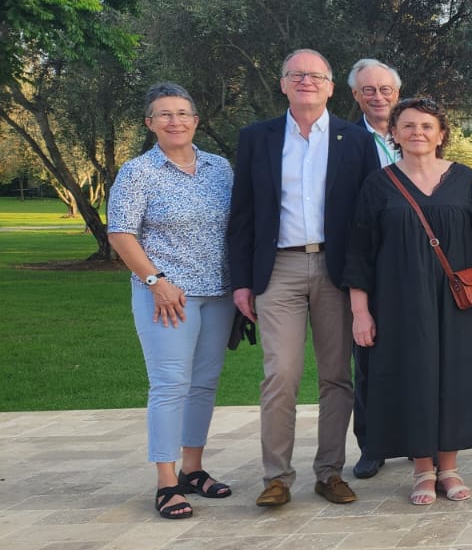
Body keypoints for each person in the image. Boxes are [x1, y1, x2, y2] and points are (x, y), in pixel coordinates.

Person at [228, 48, 378, 508]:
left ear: (332, 87)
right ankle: (277, 476)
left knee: (336, 377)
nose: (306, 81)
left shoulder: (354, 140)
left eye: (316, 75)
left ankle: (329, 472)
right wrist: (241, 281)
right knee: (282, 375)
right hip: (279, 269)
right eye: (296, 74)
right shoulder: (258, 138)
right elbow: (244, 214)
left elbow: (370, 217)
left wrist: (366, 285)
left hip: (337, 270)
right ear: (283, 84)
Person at [346, 97, 472, 505]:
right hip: (398, 300)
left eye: (427, 126)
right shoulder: (378, 184)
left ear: (442, 134)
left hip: (458, 301)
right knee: (412, 377)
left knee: (456, 378)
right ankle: (422, 470)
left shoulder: (466, 179)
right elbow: (359, 252)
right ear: (394, 134)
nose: (418, 132)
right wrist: (360, 311)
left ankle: (448, 468)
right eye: (409, 126)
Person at [108, 83, 236, 519]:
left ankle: (193, 470)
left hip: (217, 293)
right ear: (150, 124)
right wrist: (155, 280)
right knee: (169, 386)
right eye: (164, 115)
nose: (175, 121)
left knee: (203, 384)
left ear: (196, 121)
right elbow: (121, 232)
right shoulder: (137, 172)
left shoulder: (220, 168)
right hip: (167, 297)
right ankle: (166, 482)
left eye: (183, 113)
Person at [347, 58, 402, 481]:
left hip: (417, 261)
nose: (378, 96)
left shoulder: (414, 133)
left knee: (419, 355)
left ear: (396, 94)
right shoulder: (345, 141)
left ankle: (423, 437)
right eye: (369, 90)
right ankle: (371, 444)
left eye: (385, 89)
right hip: (369, 260)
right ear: (355, 96)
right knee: (367, 357)